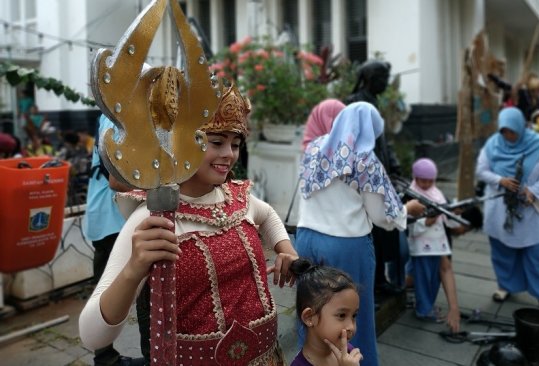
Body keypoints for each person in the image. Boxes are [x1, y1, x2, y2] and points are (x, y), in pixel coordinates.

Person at [79, 84, 299, 365]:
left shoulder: (238, 197)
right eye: (216, 142)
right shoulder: (154, 217)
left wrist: (286, 249)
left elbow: (268, 215)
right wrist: (134, 270)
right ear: (180, 141)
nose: (229, 154)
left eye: (235, 143)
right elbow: (91, 336)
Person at [296, 102, 424, 366]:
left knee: (312, 315)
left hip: (306, 238)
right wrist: (405, 212)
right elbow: (380, 215)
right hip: (346, 245)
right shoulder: (364, 158)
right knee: (352, 318)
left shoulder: (315, 147)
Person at [475, 107, 539, 314]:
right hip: (501, 211)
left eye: (512, 130)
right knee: (502, 251)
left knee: (538, 254)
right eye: (504, 131)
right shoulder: (493, 144)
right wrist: (500, 180)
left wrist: (534, 191)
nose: (508, 135)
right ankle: (505, 286)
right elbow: (481, 170)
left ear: (521, 126)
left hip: (531, 211)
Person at [81, 115, 144, 366]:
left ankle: (107, 357)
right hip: (111, 218)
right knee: (116, 290)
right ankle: (109, 357)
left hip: (112, 216)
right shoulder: (116, 117)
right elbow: (117, 179)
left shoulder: (119, 113)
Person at [343, 60, 403, 298]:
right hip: (363, 179)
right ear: (369, 79)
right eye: (382, 80)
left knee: (382, 233)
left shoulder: (374, 101)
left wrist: (394, 165)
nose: (386, 84)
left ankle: (380, 281)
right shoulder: (353, 103)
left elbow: (382, 140)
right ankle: (370, 285)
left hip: (379, 174)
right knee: (370, 234)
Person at [406, 158, 461, 332]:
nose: (427, 184)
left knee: (434, 279)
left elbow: (447, 221)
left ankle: (428, 305)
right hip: (420, 247)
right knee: (422, 279)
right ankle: (423, 310)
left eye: (430, 180)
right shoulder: (410, 195)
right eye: (423, 180)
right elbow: (408, 224)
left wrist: (453, 215)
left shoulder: (437, 193)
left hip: (438, 245)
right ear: (415, 177)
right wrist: (427, 222)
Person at [290, 258, 363, 366]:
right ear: (309, 317)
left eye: (354, 315)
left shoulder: (347, 352)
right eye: (342, 315)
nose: (351, 327)